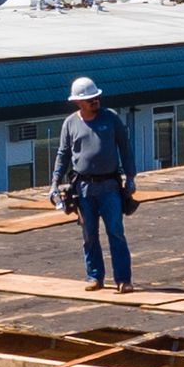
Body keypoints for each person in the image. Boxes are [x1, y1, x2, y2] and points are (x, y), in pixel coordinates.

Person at [49, 76, 137, 293]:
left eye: (96, 97)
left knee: (115, 232)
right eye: (90, 99)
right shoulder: (70, 123)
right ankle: (94, 277)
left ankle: (123, 280)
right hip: (84, 189)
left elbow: (125, 149)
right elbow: (63, 154)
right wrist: (54, 184)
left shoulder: (111, 118)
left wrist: (131, 178)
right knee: (89, 235)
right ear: (79, 103)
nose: (95, 101)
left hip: (110, 187)